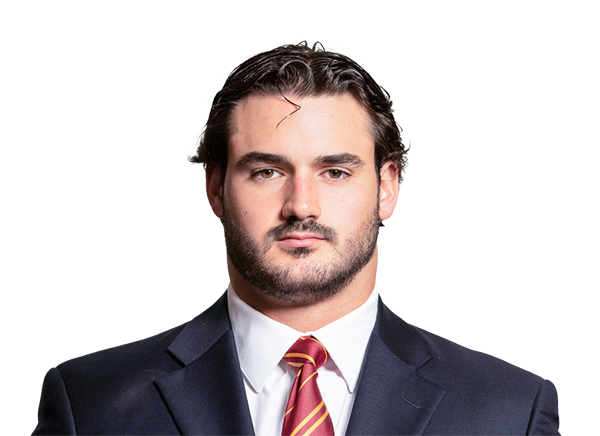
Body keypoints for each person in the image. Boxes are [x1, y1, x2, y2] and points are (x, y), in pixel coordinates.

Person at [32, 42, 559, 436]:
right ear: (215, 189)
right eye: (266, 171)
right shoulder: (89, 404)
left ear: (387, 189)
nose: (301, 205)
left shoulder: (509, 410)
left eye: (335, 172)